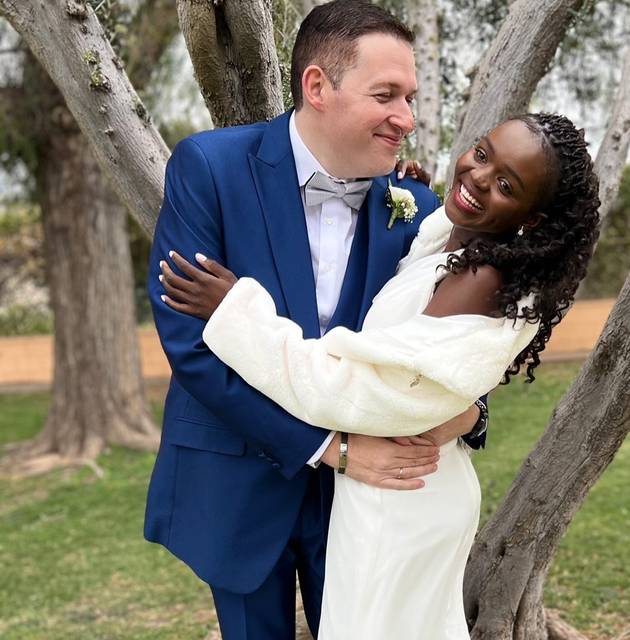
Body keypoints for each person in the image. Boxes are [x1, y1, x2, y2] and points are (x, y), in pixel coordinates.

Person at [159, 113, 602, 639]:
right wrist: (417, 203)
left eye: (506, 185)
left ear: (531, 218)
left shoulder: (483, 278)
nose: (479, 177)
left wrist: (236, 311)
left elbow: (350, 386)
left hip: (401, 495)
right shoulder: (448, 239)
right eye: (482, 154)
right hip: (368, 489)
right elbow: (425, 351)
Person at [143, 3, 485, 638]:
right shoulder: (209, 169)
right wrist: (332, 449)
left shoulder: (417, 208)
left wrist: (470, 413)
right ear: (318, 86)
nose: (406, 119)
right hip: (237, 473)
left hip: (369, 505)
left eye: (409, 98)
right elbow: (190, 343)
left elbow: (445, 342)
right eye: (386, 95)